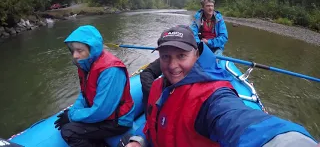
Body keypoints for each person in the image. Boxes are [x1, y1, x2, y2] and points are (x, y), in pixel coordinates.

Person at [125, 26, 317, 147]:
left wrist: (289, 141)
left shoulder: (212, 96)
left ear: (196, 55)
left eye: (181, 56)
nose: (172, 65)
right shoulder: (159, 86)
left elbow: (236, 119)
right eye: (166, 56)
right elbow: (152, 124)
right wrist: (139, 140)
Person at [54, 25, 135, 147]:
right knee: (70, 120)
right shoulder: (86, 64)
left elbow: (102, 111)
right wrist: (73, 111)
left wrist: (71, 116)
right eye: (73, 50)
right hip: (104, 116)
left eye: (79, 50)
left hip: (118, 121)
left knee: (68, 131)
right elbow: (85, 93)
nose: (75, 55)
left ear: (92, 49)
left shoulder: (110, 71)